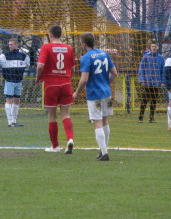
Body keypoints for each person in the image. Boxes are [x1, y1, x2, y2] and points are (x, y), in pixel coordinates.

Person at [73, 32, 118, 161]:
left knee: (97, 122)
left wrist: (76, 92)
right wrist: (106, 83)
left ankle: (104, 153)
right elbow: (114, 73)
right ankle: (103, 149)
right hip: (107, 93)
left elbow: (84, 79)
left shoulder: (86, 57)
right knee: (105, 120)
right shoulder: (105, 54)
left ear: (83, 43)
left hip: (95, 95)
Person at [35, 25, 75, 154]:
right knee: (66, 114)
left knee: (52, 116)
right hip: (66, 84)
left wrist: (37, 78)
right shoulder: (68, 48)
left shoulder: (46, 47)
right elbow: (73, 69)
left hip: (51, 85)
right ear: (61, 35)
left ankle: (55, 146)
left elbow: (40, 66)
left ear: (50, 35)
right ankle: (70, 139)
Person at [0, 38, 30, 127]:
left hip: (19, 81)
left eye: (11, 44)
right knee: (8, 100)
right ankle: (10, 122)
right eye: (9, 44)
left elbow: (31, 63)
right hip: (9, 81)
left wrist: (33, 52)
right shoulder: (5, 55)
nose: (9, 46)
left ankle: (14, 121)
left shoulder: (23, 56)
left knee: (17, 101)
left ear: (16, 45)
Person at [137, 40, 165, 123]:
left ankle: (151, 118)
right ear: (150, 47)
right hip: (148, 83)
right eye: (152, 46)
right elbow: (141, 69)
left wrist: (163, 81)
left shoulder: (160, 58)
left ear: (158, 47)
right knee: (144, 100)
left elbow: (163, 70)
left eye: (155, 46)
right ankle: (140, 117)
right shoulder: (146, 57)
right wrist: (142, 80)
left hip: (156, 83)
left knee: (154, 101)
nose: (154, 48)